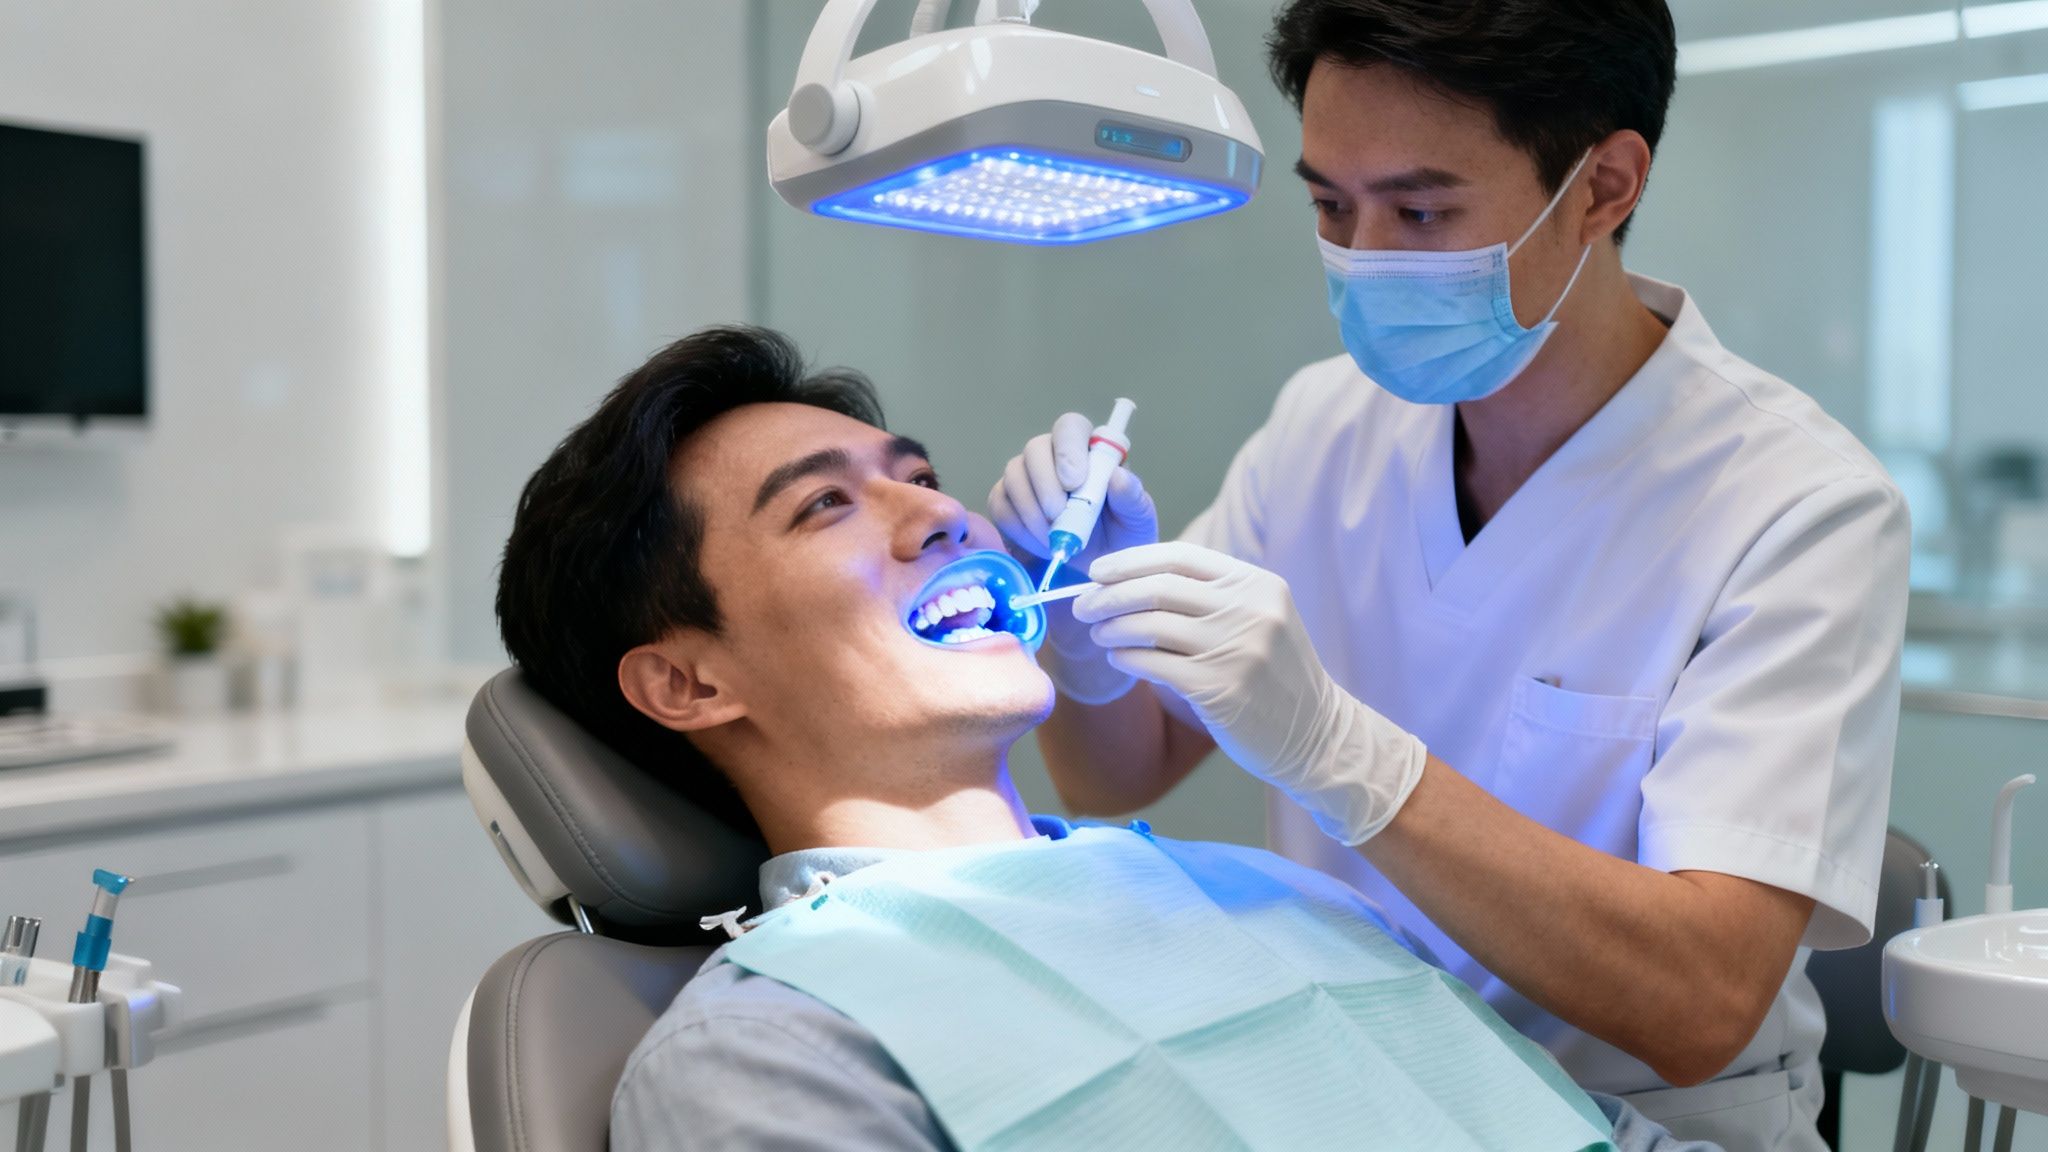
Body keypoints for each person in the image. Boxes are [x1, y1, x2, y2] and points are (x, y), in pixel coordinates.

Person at [988, 3, 1910, 1149]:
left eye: (1421, 211)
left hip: (1641, 1117)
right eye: (1329, 205)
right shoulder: (1323, 426)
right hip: (1354, 1092)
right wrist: (1086, 625)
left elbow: (1701, 1003)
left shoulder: (1797, 505)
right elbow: (1114, 775)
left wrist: (1342, 756)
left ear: (1603, 187)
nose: (1363, 261)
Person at [495, 325, 1715, 1151]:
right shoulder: (771, 1053)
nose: (939, 512)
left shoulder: (1271, 896)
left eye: (916, 475)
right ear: (685, 683)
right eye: (826, 505)